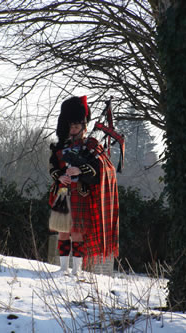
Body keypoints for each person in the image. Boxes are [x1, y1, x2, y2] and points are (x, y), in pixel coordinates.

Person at [49, 96, 119, 276]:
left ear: (84, 127)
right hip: (63, 192)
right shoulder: (60, 147)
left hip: (81, 194)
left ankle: (77, 269)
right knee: (63, 231)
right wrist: (60, 177)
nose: (72, 130)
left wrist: (80, 171)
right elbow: (53, 167)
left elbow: (101, 169)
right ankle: (63, 268)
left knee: (77, 233)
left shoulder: (92, 146)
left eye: (76, 126)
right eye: (70, 126)